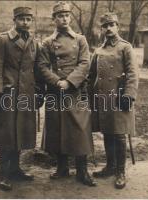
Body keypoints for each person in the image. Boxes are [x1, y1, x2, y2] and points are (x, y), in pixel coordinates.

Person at [37, 1, 96, 187]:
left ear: (70, 17)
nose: (64, 18)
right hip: (55, 92)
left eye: (66, 15)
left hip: (75, 91)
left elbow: (85, 63)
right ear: (54, 19)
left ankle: (82, 171)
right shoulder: (47, 42)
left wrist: (69, 82)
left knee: (79, 129)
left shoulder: (80, 39)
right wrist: (57, 82)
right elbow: (42, 66)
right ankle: (62, 168)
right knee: (58, 128)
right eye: (60, 15)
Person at [0, 6, 43, 191]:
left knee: (20, 131)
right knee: (7, 134)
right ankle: (3, 173)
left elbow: (37, 70)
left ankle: (16, 169)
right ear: (14, 20)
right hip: (8, 94)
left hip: (26, 94)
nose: (25, 22)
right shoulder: (3, 39)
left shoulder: (34, 42)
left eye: (28, 19)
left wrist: (39, 92)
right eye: (21, 19)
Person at [89, 13, 139, 189]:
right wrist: (89, 96)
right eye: (105, 25)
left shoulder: (125, 48)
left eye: (112, 24)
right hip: (103, 98)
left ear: (118, 26)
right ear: (101, 29)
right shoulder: (98, 50)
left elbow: (133, 74)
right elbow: (91, 75)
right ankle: (110, 167)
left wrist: (129, 95)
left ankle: (120, 171)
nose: (109, 28)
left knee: (119, 134)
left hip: (119, 98)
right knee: (108, 132)